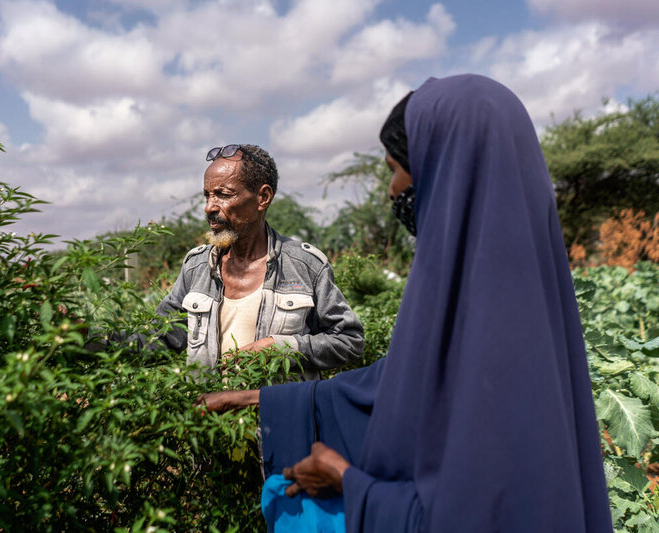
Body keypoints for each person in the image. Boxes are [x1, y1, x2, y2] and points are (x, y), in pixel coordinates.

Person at [199, 75, 612, 532]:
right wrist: (267, 398)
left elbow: (486, 512)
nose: (392, 190)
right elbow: (401, 383)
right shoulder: (493, 289)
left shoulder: (499, 328)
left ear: (448, 172)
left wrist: (350, 483)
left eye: (397, 169)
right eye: (207, 195)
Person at [102, 144, 364, 380]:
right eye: (207, 195)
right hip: (209, 424)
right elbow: (160, 339)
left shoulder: (305, 265)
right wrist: (89, 339)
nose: (209, 207)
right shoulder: (196, 267)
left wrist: (280, 347)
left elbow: (349, 341)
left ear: (263, 197)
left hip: (280, 421)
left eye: (223, 194)